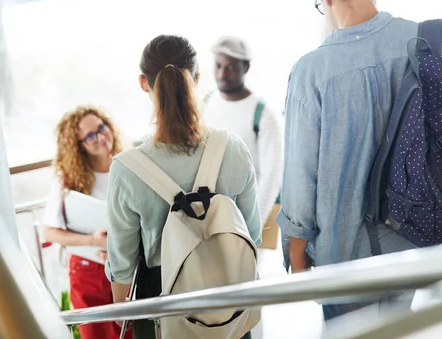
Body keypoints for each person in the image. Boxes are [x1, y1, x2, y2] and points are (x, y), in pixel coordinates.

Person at [277, 0, 442, 320]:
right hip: (420, 241)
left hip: (346, 257)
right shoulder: (433, 40)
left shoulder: (311, 72)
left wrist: (296, 256)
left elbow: (302, 178)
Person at [106, 34, 261, 338]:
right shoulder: (232, 149)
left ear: (143, 82)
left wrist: (119, 311)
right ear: (198, 78)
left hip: (162, 303)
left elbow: (123, 265)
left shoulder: (126, 170)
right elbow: (251, 233)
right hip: (230, 295)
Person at [43, 106, 131, 339]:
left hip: (128, 268)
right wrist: (92, 241)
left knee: (133, 332)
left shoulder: (129, 166)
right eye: (91, 135)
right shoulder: (68, 181)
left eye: (102, 128)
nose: (101, 137)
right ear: (78, 145)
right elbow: (50, 232)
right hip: (89, 271)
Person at [203, 36, 283, 237]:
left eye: (230, 67)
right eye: (218, 65)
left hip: (247, 224)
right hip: (208, 219)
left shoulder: (263, 114)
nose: (222, 73)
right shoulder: (207, 102)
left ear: (245, 67)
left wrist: (250, 228)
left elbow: (271, 177)